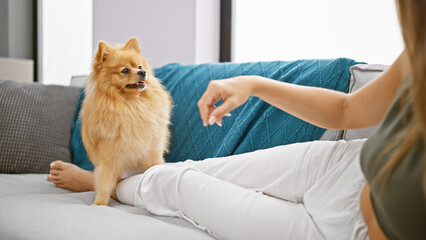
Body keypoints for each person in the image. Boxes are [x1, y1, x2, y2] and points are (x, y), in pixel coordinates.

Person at [48, 0, 425, 239]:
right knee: (201, 169)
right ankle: (113, 179)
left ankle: (109, 186)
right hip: (346, 166)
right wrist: (254, 84)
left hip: (338, 230)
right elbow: (347, 110)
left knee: (182, 184)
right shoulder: (419, 51)